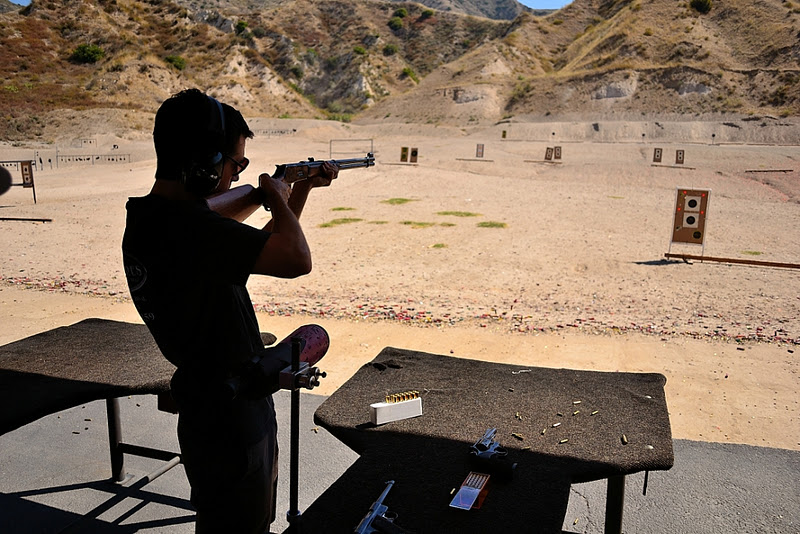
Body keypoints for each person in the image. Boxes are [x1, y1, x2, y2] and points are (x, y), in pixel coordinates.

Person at [122, 88, 337, 533]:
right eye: (235, 164)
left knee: (222, 518)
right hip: (233, 413)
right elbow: (295, 260)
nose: (237, 172)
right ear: (203, 162)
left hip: (205, 404)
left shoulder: (152, 219)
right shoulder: (190, 227)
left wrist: (292, 193)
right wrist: (274, 194)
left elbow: (256, 247)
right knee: (244, 522)